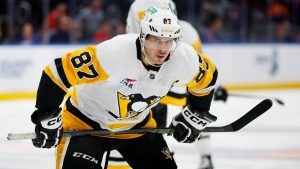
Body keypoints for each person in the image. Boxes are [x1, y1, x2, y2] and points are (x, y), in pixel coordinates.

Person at [30, 6, 218, 169]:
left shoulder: (183, 58)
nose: (163, 48)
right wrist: (47, 117)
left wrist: (195, 113)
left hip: (137, 126)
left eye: (169, 41)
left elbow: (207, 79)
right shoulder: (113, 53)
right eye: (156, 40)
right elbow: (56, 72)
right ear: (143, 37)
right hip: (84, 123)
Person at [121, 1, 215, 169]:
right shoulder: (126, 44)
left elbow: (201, 72)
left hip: (158, 92)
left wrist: (198, 107)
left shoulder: (186, 35)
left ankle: (205, 156)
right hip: (143, 92)